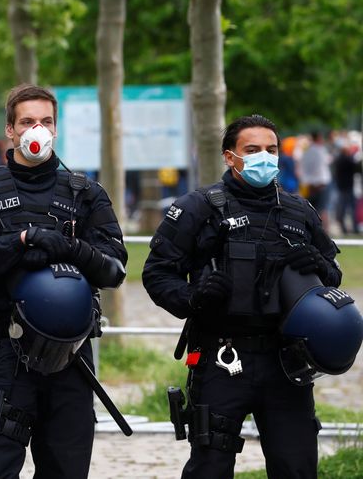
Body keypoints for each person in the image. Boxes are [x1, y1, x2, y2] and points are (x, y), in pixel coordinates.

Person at [142, 114, 342, 478]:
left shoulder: (300, 212)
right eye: (252, 150)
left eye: (271, 149)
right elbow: (157, 274)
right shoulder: (196, 208)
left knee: (297, 466)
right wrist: (192, 297)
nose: (263, 157)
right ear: (229, 156)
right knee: (210, 467)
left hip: (287, 363)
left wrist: (321, 266)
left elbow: (333, 276)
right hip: (222, 357)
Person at [0, 83, 128, 478]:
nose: (37, 130)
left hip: (73, 355)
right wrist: (21, 241)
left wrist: (70, 248)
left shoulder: (85, 193)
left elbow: (115, 268)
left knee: (67, 468)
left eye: (46, 122)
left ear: (56, 130)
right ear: (10, 130)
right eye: (27, 122)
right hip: (6, 353)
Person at [299, 131, 332, 223]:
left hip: (310, 185)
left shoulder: (307, 151)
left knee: (311, 210)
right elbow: (325, 163)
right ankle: (324, 233)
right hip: (321, 184)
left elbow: (303, 168)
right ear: (318, 138)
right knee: (323, 210)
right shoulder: (320, 150)